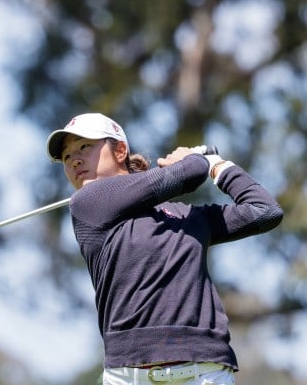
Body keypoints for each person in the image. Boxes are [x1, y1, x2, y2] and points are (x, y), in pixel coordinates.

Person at [46, 113, 283, 385]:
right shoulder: (87, 204)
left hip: (205, 374)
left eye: (85, 146)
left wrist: (218, 166)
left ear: (120, 150)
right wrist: (196, 159)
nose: (74, 159)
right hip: (129, 376)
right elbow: (191, 172)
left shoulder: (185, 217)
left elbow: (265, 211)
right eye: (66, 157)